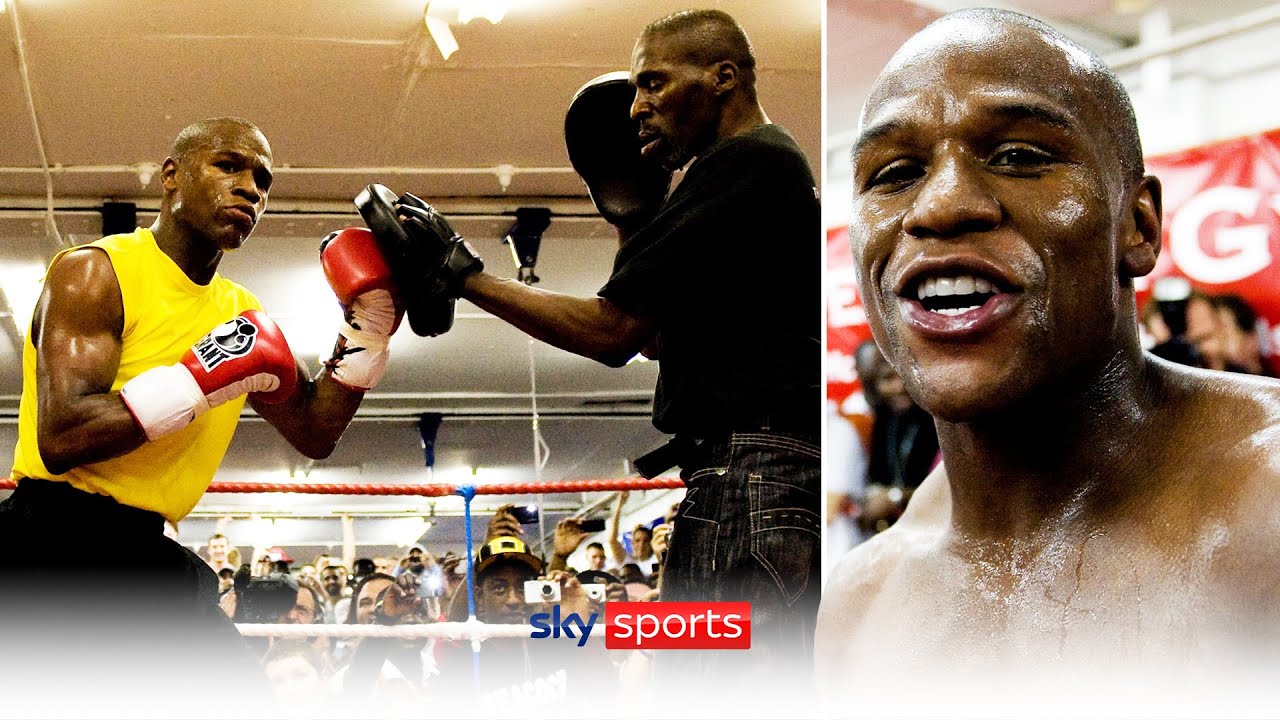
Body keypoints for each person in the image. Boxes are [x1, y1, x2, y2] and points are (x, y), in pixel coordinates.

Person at [816, 9, 1280, 715]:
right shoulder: (861, 602)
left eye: (1021, 157)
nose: (940, 206)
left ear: (1139, 225)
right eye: (896, 172)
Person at [369, 8, 821, 680]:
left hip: (750, 480)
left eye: (654, 84)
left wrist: (463, 275)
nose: (638, 107)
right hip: (749, 479)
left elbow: (614, 333)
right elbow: (657, 339)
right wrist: (634, 219)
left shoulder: (747, 164)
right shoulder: (754, 175)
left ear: (723, 77)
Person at [0, 117, 406, 707]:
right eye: (228, 166)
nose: (250, 189)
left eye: (262, 181)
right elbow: (62, 434)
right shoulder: (95, 272)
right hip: (49, 543)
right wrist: (197, 381)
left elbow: (315, 432)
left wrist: (367, 327)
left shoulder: (242, 311)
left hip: (142, 550)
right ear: (171, 175)